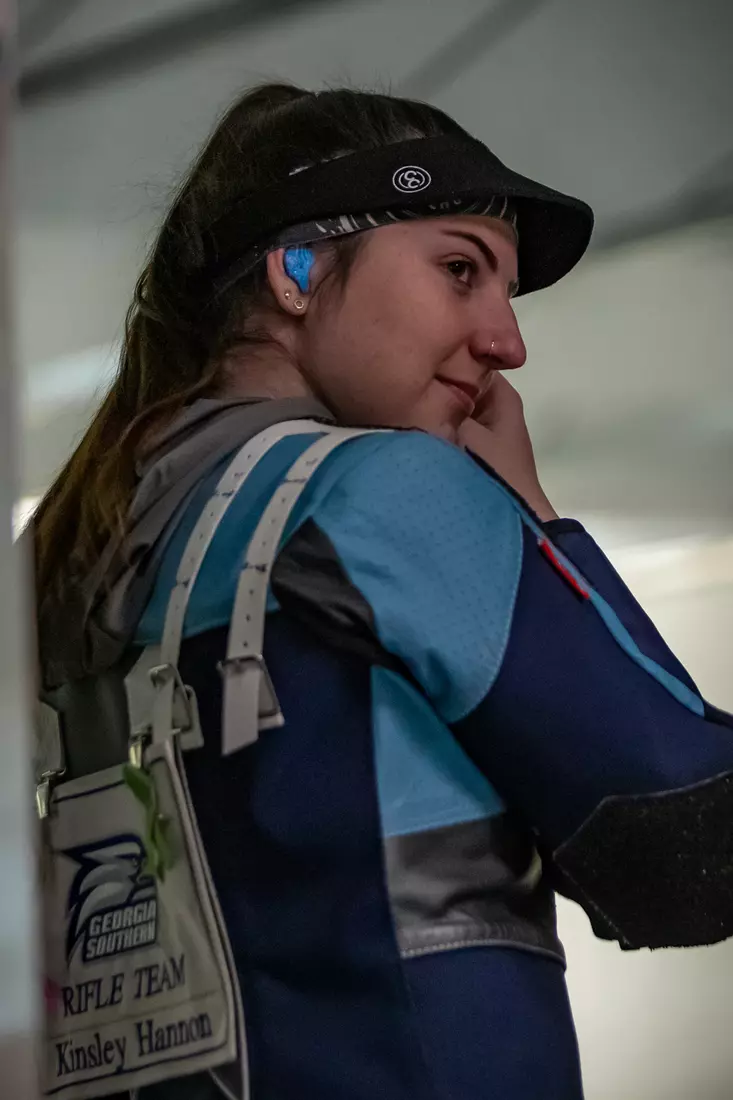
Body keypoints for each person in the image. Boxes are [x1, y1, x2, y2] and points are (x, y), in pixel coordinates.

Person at [32, 84, 733, 1100]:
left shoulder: (68, 554)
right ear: (298, 271)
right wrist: (533, 516)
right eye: (460, 270)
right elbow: (686, 842)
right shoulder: (385, 492)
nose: (507, 341)